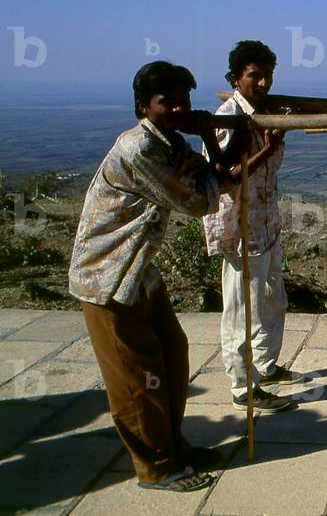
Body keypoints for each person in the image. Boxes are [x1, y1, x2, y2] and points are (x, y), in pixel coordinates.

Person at [68, 61, 236, 492]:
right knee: (136, 374)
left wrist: (209, 141)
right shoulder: (138, 149)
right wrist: (216, 170)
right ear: (144, 106)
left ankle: (171, 444)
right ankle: (156, 467)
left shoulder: (168, 143)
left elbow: (206, 174)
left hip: (138, 270)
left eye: (184, 100)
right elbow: (197, 200)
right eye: (169, 102)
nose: (180, 108)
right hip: (106, 276)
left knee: (171, 354)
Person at [203, 40, 302, 414]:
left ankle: (266, 366)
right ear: (235, 78)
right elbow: (229, 178)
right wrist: (271, 145)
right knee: (242, 309)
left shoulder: (266, 113)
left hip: (267, 223)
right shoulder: (228, 120)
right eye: (254, 76)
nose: (262, 83)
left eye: (267, 75)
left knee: (274, 298)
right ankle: (243, 387)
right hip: (241, 229)